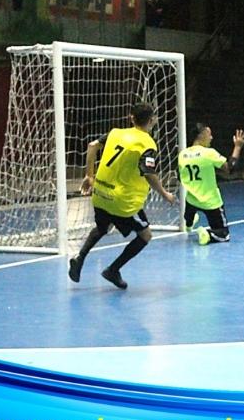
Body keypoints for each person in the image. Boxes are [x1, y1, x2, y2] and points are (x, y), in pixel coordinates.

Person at [68, 102, 177, 289]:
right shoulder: (146, 144)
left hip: (100, 194)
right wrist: (165, 193)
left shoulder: (115, 133)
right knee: (145, 235)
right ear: (152, 120)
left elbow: (92, 146)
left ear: (131, 118)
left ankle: (80, 256)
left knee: (103, 227)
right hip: (123, 202)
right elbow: (149, 173)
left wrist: (89, 175)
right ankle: (112, 270)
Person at [179, 124, 244, 245]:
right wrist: (237, 147)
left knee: (189, 212)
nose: (211, 138)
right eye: (209, 135)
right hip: (211, 202)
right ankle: (207, 234)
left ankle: (189, 223)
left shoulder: (182, 155)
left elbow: (180, 177)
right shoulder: (209, 153)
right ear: (201, 136)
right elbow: (230, 169)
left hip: (192, 200)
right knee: (224, 234)